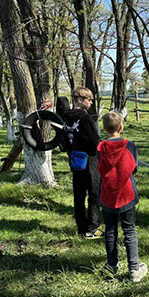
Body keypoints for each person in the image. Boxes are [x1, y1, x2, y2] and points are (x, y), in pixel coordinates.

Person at [96, 110, 147, 283]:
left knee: (110, 231)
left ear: (105, 128)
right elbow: (134, 168)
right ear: (121, 127)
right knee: (129, 230)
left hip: (108, 194)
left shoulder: (100, 147)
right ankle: (134, 269)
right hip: (126, 194)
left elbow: (100, 168)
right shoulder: (129, 145)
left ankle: (112, 265)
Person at [60, 88, 101, 239]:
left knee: (79, 194)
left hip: (75, 159)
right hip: (89, 159)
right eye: (88, 100)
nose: (91, 102)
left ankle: (81, 227)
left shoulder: (66, 118)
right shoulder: (84, 118)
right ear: (79, 100)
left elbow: (62, 139)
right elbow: (94, 140)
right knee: (94, 193)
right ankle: (92, 228)